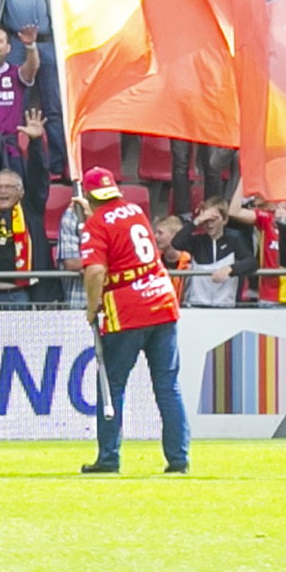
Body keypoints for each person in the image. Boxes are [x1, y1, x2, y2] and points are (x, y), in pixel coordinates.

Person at [77, 168, 190, 475]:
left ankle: (109, 458)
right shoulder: (136, 211)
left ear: (89, 197)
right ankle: (179, 459)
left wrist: (91, 306)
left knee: (112, 386)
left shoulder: (95, 224)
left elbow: (95, 271)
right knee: (168, 385)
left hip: (127, 308)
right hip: (162, 300)